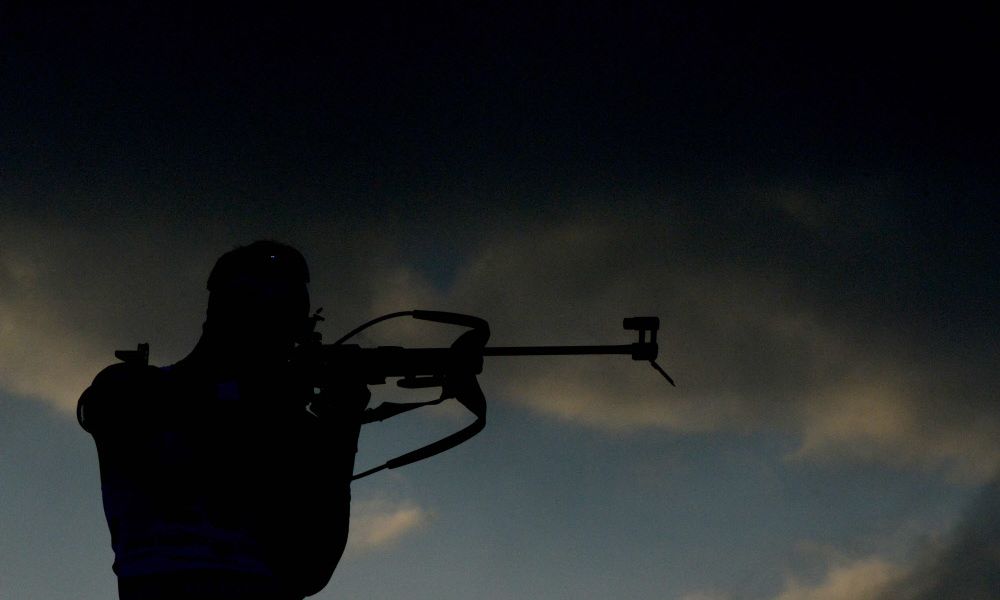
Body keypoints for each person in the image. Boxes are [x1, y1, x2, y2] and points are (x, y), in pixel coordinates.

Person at [78, 241, 369, 600]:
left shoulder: (285, 422)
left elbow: (311, 569)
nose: (283, 342)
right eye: (268, 317)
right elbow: (194, 451)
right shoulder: (133, 390)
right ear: (226, 314)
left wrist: (341, 427)